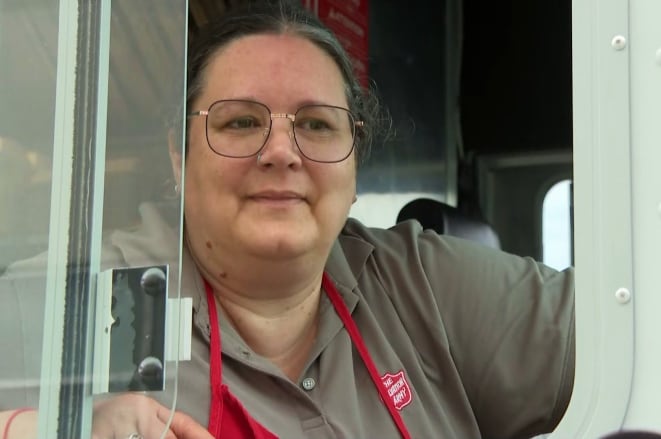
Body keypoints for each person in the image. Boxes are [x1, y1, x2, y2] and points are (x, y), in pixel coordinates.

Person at [0, 1, 575, 438]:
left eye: (318, 125)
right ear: (179, 157)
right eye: (241, 123)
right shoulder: (100, 295)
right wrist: (41, 427)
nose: (281, 151)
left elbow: (644, 335)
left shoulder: (418, 283)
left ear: (354, 163)